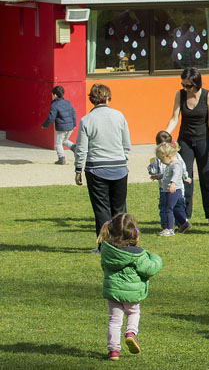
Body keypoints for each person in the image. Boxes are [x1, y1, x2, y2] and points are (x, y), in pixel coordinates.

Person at [98, 213, 162, 361]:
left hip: (113, 291)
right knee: (133, 313)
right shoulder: (138, 254)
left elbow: (104, 267)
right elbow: (149, 269)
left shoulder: (106, 250)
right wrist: (156, 258)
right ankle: (130, 333)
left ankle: (113, 351)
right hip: (132, 294)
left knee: (114, 320)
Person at [74, 84, 131, 248]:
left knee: (101, 209)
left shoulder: (86, 120)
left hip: (96, 169)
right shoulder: (119, 116)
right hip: (119, 167)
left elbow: (81, 149)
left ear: (91, 99)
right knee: (120, 209)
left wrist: (78, 169)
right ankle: (122, 243)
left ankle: (105, 246)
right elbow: (126, 144)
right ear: (108, 98)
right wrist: (122, 158)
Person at [165, 67, 209, 226]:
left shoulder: (208, 95)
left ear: (197, 83)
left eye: (188, 86)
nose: (185, 88)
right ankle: (185, 215)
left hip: (203, 140)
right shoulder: (179, 95)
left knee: (206, 176)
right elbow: (174, 118)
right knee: (185, 177)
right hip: (185, 141)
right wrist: (165, 133)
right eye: (183, 85)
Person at [147, 131, 191, 233]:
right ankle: (184, 224)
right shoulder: (171, 163)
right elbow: (167, 174)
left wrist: (173, 183)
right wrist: (157, 176)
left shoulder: (175, 164)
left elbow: (175, 174)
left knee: (167, 208)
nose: (161, 162)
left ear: (168, 156)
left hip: (170, 190)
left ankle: (168, 228)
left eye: (162, 160)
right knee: (176, 208)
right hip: (176, 190)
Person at [41, 85, 76, 165]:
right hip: (70, 127)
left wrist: (44, 125)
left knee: (58, 143)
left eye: (52, 95)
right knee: (64, 141)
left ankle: (61, 158)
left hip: (62, 127)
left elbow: (51, 117)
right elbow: (73, 114)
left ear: (55, 95)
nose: (52, 97)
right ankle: (75, 149)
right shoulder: (68, 103)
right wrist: (74, 124)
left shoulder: (54, 105)